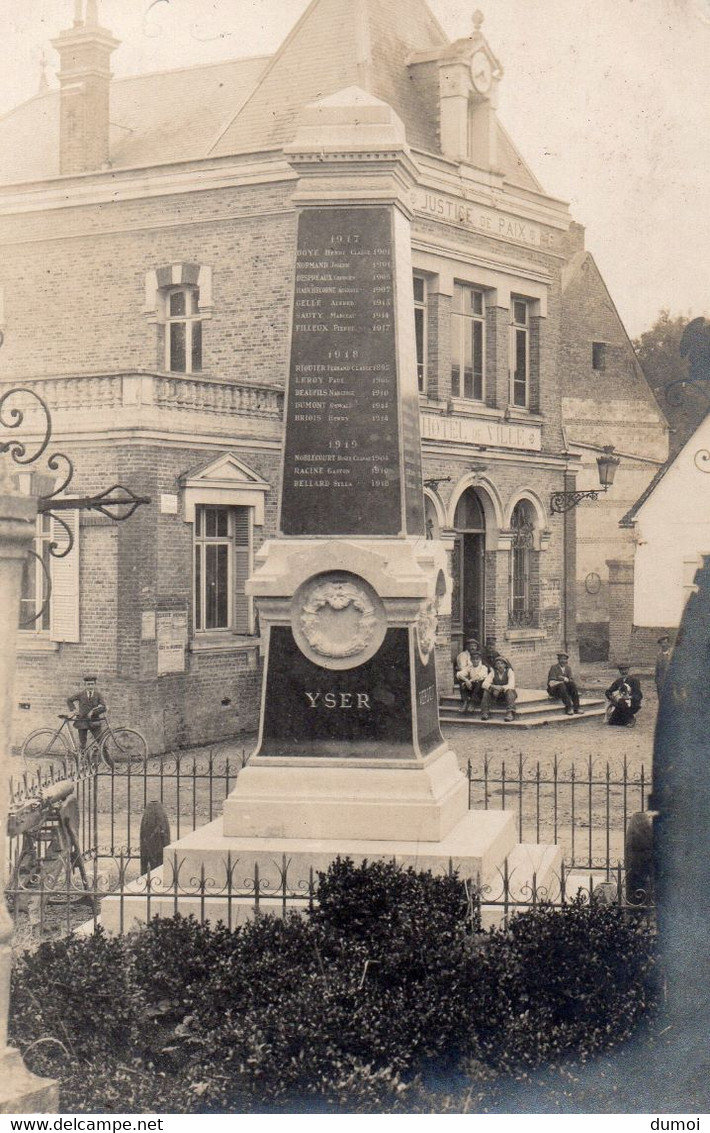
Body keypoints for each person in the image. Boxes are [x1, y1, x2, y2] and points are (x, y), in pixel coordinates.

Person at [67, 675, 107, 751]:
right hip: (82, 721)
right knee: (82, 744)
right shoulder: (81, 694)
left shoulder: (98, 695)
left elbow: (103, 707)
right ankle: (82, 761)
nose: (90, 686)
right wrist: (74, 710)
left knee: (102, 742)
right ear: (85, 685)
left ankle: (108, 762)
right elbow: (69, 700)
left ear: (94, 684)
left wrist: (93, 712)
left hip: (94, 721)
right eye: (88, 684)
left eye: (92, 684)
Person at [547, 649, 584, 716]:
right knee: (561, 685)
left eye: (565, 659)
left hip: (564, 690)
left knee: (572, 685)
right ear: (558, 660)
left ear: (567, 660)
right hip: (554, 690)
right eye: (561, 659)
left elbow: (571, 679)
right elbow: (552, 680)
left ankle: (577, 708)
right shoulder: (554, 668)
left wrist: (568, 681)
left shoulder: (568, 668)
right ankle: (569, 708)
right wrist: (563, 678)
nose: (563, 661)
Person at [481, 656, 517, 722]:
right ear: (495, 666)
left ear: (505, 665)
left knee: (509, 691)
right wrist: (493, 687)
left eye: (502, 663)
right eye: (497, 664)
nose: (500, 665)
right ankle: (485, 712)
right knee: (486, 690)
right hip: (496, 695)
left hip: (507, 694)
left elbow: (511, 685)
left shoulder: (509, 671)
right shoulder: (493, 673)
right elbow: (484, 684)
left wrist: (500, 688)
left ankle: (510, 713)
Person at [455, 648, 490, 714]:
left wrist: (469, 681)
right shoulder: (470, 667)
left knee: (478, 682)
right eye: (473, 659)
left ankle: (472, 703)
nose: (475, 661)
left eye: (477, 659)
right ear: (471, 660)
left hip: (480, 689)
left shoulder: (483, 668)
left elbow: (478, 676)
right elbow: (459, 674)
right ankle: (465, 702)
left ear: (480, 660)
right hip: (472, 687)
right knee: (462, 683)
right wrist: (466, 680)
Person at [455, 637, 480, 707]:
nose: (473, 648)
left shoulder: (477, 655)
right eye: (471, 646)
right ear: (467, 646)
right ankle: (465, 701)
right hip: (465, 675)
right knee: (463, 682)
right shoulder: (463, 655)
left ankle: (474, 700)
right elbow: (462, 668)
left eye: (475, 646)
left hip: (474, 675)